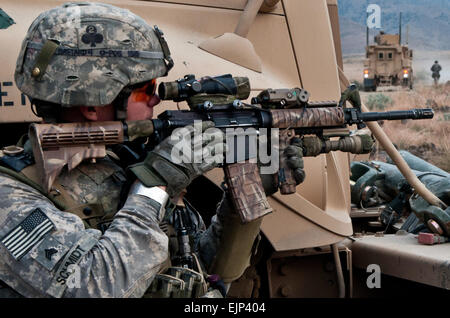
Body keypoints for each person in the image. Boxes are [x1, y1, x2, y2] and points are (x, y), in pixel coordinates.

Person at [0, 3, 305, 298]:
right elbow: (92, 287)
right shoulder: (10, 196)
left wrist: (248, 200)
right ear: (94, 102)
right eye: (145, 88)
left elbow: (201, 267)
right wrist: (154, 186)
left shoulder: (119, 164)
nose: (156, 99)